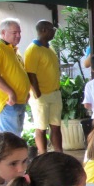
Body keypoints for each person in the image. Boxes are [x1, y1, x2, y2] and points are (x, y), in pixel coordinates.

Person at [24, 20, 63, 154]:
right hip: (41, 96)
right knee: (41, 128)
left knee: (56, 126)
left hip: (55, 93)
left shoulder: (49, 48)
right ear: (44, 30)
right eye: (53, 29)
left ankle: (59, 154)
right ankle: (43, 155)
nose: (54, 32)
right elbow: (30, 73)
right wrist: (37, 93)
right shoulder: (33, 49)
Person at [0, 18, 31, 136]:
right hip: (7, 102)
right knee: (12, 140)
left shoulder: (13, 50)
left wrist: (26, 92)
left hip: (19, 101)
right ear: (3, 33)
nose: (18, 36)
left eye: (19, 32)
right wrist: (10, 92)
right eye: (14, 33)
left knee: (16, 137)